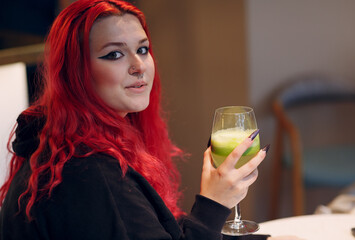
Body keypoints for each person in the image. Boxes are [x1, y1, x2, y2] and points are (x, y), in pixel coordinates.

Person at [0, 0, 269, 239]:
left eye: (142, 49)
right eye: (114, 54)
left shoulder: (72, 145)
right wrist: (214, 202)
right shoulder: (87, 172)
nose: (138, 66)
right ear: (75, 72)